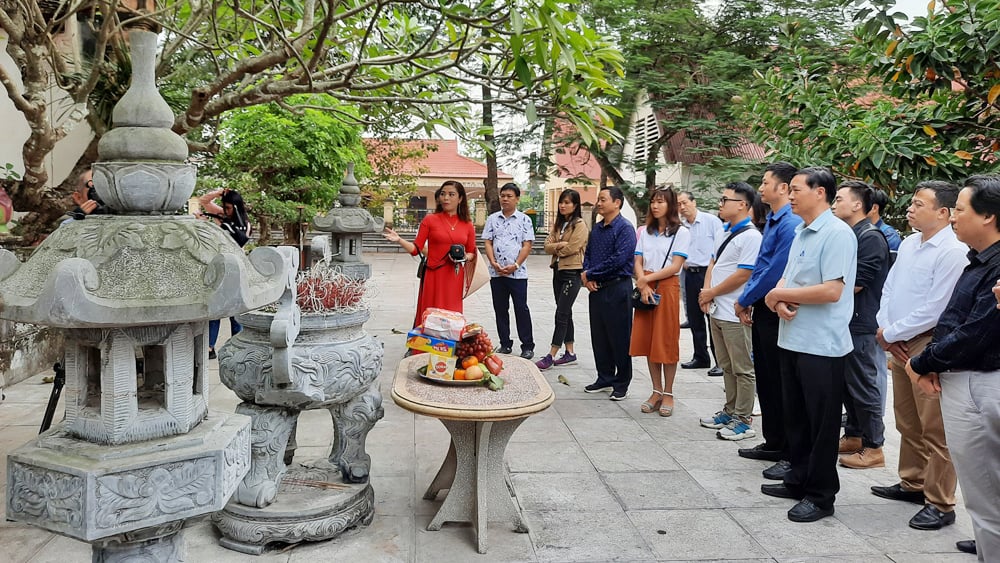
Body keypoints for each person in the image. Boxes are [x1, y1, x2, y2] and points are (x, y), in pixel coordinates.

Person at [905, 175, 1000, 561]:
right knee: (983, 497)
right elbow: (953, 319)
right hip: (960, 376)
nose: (954, 217)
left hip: (980, 382)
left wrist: (924, 360)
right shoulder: (977, 260)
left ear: (989, 215)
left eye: (960, 209)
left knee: (987, 493)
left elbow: (976, 332)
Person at [762, 167, 857, 523]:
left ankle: (820, 495)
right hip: (794, 338)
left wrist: (779, 294)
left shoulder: (837, 234)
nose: (791, 196)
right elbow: (789, 278)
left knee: (821, 424)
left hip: (822, 344)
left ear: (820, 193)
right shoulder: (802, 232)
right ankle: (797, 478)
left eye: (797, 189)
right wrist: (779, 298)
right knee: (797, 417)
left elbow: (832, 290)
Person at [871, 181, 967, 531]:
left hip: (926, 342)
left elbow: (937, 308)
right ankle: (912, 482)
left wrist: (893, 333)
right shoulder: (911, 243)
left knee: (935, 428)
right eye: (911, 202)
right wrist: (885, 328)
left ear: (943, 212)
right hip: (897, 337)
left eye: (918, 203)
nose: (910, 208)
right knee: (907, 419)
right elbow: (890, 288)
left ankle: (941, 503)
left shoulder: (953, 251)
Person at [734, 162, 802, 476]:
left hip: (777, 310)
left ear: (783, 188)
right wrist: (749, 299)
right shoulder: (774, 219)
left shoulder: (789, 223)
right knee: (767, 378)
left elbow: (775, 270)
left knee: (780, 381)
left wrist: (746, 298)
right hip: (763, 306)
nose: (760, 189)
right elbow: (761, 266)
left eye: (765, 183)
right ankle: (773, 441)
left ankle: (787, 448)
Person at [831, 181, 891, 469]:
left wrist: (822, 291)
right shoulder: (851, 234)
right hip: (847, 320)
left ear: (858, 204)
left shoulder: (869, 237)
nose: (834, 202)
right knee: (848, 384)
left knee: (864, 385)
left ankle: (874, 446)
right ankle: (854, 436)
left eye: (840, 198)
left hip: (862, 322)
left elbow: (856, 283)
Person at [698, 182, 762, 440]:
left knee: (743, 368)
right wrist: (706, 292)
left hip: (736, 312)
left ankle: (743, 419)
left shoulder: (751, 236)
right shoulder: (724, 232)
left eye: (726, 199)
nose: (721, 203)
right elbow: (713, 262)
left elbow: (744, 274)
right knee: (725, 365)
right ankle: (730, 410)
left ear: (743, 205)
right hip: (717, 310)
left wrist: (712, 292)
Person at [629, 186, 690, 416]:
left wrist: (645, 280)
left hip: (666, 287)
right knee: (648, 341)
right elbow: (637, 259)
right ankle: (655, 390)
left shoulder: (681, 233)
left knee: (665, 341)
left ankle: (669, 392)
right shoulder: (645, 231)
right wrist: (642, 280)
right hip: (646, 284)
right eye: (653, 201)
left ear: (671, 205)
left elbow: (675, 266)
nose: (655, 206)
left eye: (661, 202)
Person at [383, 180, 477, 328]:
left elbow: (472, 253)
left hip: (455, 275)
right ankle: (423, 344)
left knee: (452, 314)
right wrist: (399, 240)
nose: (446, 198)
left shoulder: (468, 224)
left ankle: (449, 346)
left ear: (460, 199)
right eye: (443, 194)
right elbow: (415, 249)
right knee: (430, 313)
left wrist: (464, 257)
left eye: (451, 194)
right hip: (434, 274)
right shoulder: (430, 220)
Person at [582, 186, 637, 401]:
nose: (599, 203)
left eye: (603, 199)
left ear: (617, 202)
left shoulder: (625, 228)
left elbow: (620, 259)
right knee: (600, 336)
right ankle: (604, 376)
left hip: (618, 287)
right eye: (599, 199)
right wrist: (587, 275)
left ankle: (621, 382)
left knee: (620, 337)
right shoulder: (597, 229)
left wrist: (590, 273)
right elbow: (589, 254)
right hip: (597, 288)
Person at [536, 189, 589, 370]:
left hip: (572, 273)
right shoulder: (559, 224)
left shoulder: (580, 225)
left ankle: (551, 355)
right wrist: (559, 245)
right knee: (566, 312)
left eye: (567, 202)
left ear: (575, 205)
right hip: (557, 271)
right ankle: (570, 352)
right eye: (561, 202)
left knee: (561, 314)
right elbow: (546, 246)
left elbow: (574, 248)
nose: (563, 205)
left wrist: (556, 247)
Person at [482, 183, 535, 358]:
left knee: (521, 308)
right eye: (502, 195)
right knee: (500, 308)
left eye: (509, 196)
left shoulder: (524, 220)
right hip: (496, 273)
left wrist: (516, 265)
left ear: (517, 199)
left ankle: (527, 345)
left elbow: (527, 245)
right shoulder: (492, 219)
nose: (505, 199)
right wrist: (493, 262)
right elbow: (488, 242)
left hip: (518, 274)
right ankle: (505, 343)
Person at [198, 188, 251, 358]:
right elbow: (203, 201)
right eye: (225, 207)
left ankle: (238, 345)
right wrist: (219, 193)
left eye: (229, 208)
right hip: (219, 267)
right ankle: (209, 347)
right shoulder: (221, 216)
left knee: (235, 312)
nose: (226, 211)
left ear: (236, 207)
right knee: (216, 310)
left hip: (236, 269)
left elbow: (234, 243)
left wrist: (211, 225)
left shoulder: (244, 225)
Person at [676, 191, 724, 374]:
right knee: (695, 318)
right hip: (689, 273)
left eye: (685, 203)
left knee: (712, 316)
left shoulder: (710, 221)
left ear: (693, 202)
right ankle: (700, 357)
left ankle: (720, 360)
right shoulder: (681, 226)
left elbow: (721, 246)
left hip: (708, 272)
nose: (682, 207)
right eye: (679, 204)